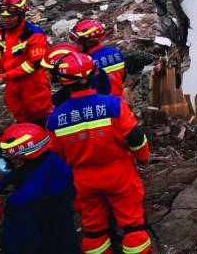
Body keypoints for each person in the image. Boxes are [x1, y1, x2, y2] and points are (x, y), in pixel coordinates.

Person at [48, 51, 152, 254]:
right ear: (94, 75)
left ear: (62, 82)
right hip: (119, 175)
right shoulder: (113, 105)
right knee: (133, 226)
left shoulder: (55, 118)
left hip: (82, 180)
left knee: (94, 231)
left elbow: (55, 156)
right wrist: (143, 160)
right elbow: (136, 139)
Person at [0, 123, 81, 254]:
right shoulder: (55, 163)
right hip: (64, 239)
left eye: (8, 159)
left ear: (21, 160)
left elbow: (19, 245)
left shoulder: (20, 203)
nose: (4, 163)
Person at [0, 0, 52, 126]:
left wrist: (5, 76)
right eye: (4, 17)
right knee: (19, 113)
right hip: (12, 83)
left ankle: (47, 140)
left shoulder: (34, 35)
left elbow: (34, 64)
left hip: (33, 83)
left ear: (21, 16)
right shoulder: (0, 34)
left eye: (11, 17)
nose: (7, 20)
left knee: (41, 114)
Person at [41, 43, 112, 108]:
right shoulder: (100, 74)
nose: (47, 74)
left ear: (59, 72)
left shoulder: (59, 98)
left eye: (49, 70)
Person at [70, 19, 126, 96]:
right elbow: (122, 78)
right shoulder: (116, 53)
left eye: (77, 43)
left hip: (101, 104)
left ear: (88, 43)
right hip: (119, 102)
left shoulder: (87, 62)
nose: (75, 46)